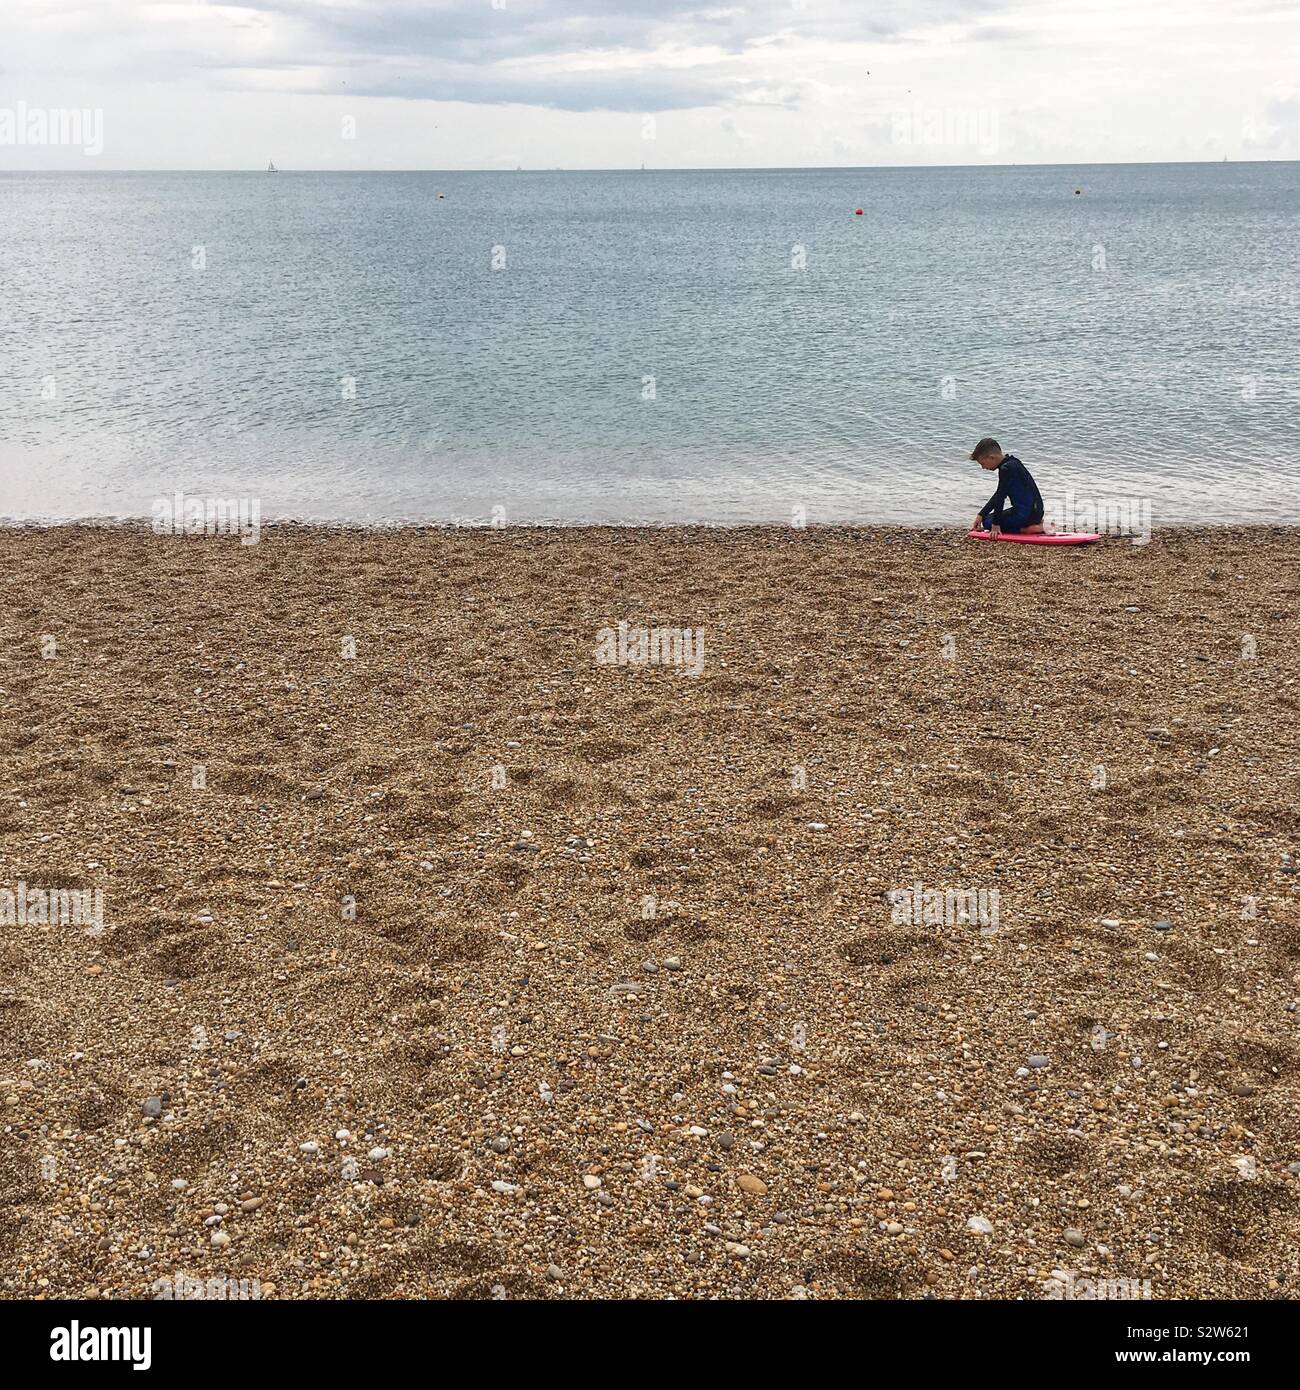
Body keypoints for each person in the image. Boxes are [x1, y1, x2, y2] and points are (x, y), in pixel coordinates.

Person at [970, 438, 1053, 535]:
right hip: (1036, 511)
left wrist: (996, 525)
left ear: (992, 457)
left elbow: (1000, 497)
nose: (983, 468)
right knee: (987, 518)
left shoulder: (1005, 469)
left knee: (988, 522)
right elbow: (999, 494)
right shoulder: (1014, 462)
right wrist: (981, 514)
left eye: (982, 463)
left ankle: (1028, 529)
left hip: (1026, 515)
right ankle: (1036, 523)